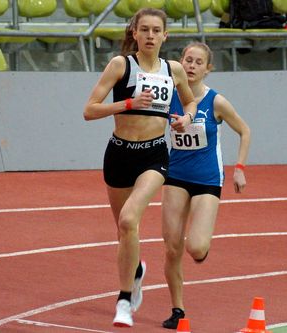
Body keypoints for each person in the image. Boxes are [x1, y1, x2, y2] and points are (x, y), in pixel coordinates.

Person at [83, 8, 197, 328]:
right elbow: (89, 110)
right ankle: (136, 271)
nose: (149, 35)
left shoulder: (173, 69)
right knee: (124, 231)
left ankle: (123, 301)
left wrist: (186, 118)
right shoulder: (121, 65)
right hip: (119, 155)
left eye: (155, 30)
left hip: (154, 156)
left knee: (129, 219)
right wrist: (128, 104)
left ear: (165, 35)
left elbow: (189, 102)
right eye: (143, 29)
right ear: (134, 33)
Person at [161, 42, 251, 329]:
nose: (191, 66)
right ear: (180, 62)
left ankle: (200, 246)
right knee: (172, 247)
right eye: (188, 60)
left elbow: (245, 131)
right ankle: (178, 309)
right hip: (175, 176)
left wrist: (239, 169)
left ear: (207, 69)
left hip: (207, 180)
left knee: (196, 248)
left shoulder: (217, 102)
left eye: (198, 62)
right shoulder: (171, 96)